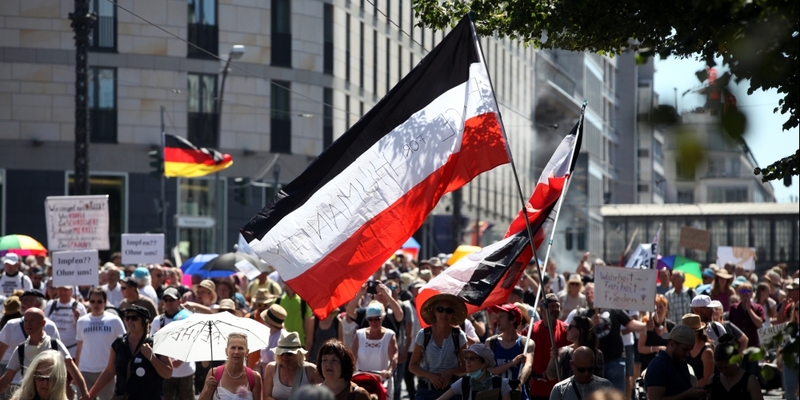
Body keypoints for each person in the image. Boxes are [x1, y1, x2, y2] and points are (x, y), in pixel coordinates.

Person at [87, 305, 173, 399]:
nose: (129, 321)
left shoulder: (156, 343)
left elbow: (168, 373)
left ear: (144, 322)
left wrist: (152, 357)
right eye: (127, 318)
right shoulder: (118, 344)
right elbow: (109, 371)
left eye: (134, 318)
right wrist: (90, 395)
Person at [0, 308, 88, 400]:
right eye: (26, 321)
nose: (28, 324)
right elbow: (7, 378)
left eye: (32, 321)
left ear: (43, 323)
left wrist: (85, 393)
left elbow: (73, 371)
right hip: (28, 395)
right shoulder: (21, 349)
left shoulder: (55, 345)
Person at [408, 294, 468, 400]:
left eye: (449, 310)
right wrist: (430, 375)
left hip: (451, 392)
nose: (444, 313)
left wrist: (451, 372)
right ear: (434, 312)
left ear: (453, 314)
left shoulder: (458, 335)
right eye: (440, 309)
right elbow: (412, 366)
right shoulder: (424, 334)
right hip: (426, 391)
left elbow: (467, 367)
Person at [75, 287, 126, 400]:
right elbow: (79, 348)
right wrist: (77, 371)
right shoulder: (81, 321)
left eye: (99, 301)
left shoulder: (115, 320)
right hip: (85, 371)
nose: (96, 304)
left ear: (105, 302)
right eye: (92, 301)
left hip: (106, 372)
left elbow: (123, 346)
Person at [150, 287, 195, 400]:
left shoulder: (188, 318)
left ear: (179, 301)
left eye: (172, 300)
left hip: (185, 371)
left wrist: (180, 359)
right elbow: (152, 343)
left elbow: (194, 341)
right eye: (166, 300)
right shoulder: (158, 320)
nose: (168, 303)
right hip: (165, 372)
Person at [644, 324, 708, 400]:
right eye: (685, 349)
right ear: (672, 344)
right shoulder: (658, 367)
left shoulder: (682, 364)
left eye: (690, 350)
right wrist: (687, 395)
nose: (688, 354)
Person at [528, 294, 570, 400]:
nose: (555, 309)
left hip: (559, 389)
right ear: (542, 309)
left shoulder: (566, 331)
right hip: (536, 389)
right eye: (552, 306)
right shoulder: (530, 331)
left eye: (557, 306)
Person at [485, 303, 533, 394]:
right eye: (498, 316)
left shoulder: (526, 343)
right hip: (496, 395)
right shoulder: (491, 342)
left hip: (518, 395)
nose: (497, 319)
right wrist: (512, 363)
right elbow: (487, 372)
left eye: (501, 317)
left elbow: (528, 366)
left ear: (513, 319)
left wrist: (519, 383)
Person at [437, 343, 512, 400]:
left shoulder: (501, 384)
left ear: (484, 363)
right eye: (466, 358)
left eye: (472, 358)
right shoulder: (464, 382)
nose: (467, 362)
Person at [199, 333, 262, 400]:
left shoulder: (254, 377)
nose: (236, 352)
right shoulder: (214, 373)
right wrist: (209, 389)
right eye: (233, 348)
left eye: (240, 348)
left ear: (247, 352)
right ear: (226, 351)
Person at [352, 302, 398, 395]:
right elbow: (353, 356)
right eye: (370, 319)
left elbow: (394, 356)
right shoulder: (359, 334)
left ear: (383, 318)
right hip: (362, 380)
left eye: (377, 319)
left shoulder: (389, 334)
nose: (374, 322)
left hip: (382, 381)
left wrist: (389, 371)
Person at [262, 331, 322, 400]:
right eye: (281, 353)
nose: (285, 357)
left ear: (299, 353)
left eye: (289, 354)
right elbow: (266, 396)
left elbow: (322, 396)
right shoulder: (271, 368)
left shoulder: (311, 370)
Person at [546, 314, 604, 381]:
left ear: (581, 330)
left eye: (570, 327)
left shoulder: (596, 354)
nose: (566, 329)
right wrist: (553, 359)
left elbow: (600, 382)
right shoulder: (563, 352)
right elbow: (551, 376)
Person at [549, 346, 613, 400]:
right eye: (581, 369)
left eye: (590, 369)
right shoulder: (559, 390)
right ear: (571, 364)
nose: (586, 373)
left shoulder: (606, 387)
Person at [44, 285, 86, 358]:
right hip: (53, 350)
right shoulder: (50, 305)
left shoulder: (79, 307)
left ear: (71, 291)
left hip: (72, 350)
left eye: (66, 290)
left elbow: (83, 330)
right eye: (60, 289)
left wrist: (77, 318)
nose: (63, 292)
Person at [638, 295, 675, 370]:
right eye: (655, 307)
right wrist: (656, 348)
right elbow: (640, 348)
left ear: (666, 309)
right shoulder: (647, 324)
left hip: (666, 366)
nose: (657, 310)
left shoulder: (671, 326)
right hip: (649, 366)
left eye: (660, 307)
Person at [681, 314, 714, 386]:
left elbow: (707, 379)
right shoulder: (685, 348)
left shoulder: (707, 352)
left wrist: (688, 389)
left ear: (697, 332)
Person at [257, 304, 288, 373]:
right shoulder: (267, 334)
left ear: (269, 323)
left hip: (276, 380)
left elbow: (284, 363)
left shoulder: (283, 337)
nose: (263, 322)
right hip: (265, 377)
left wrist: (264, 365)